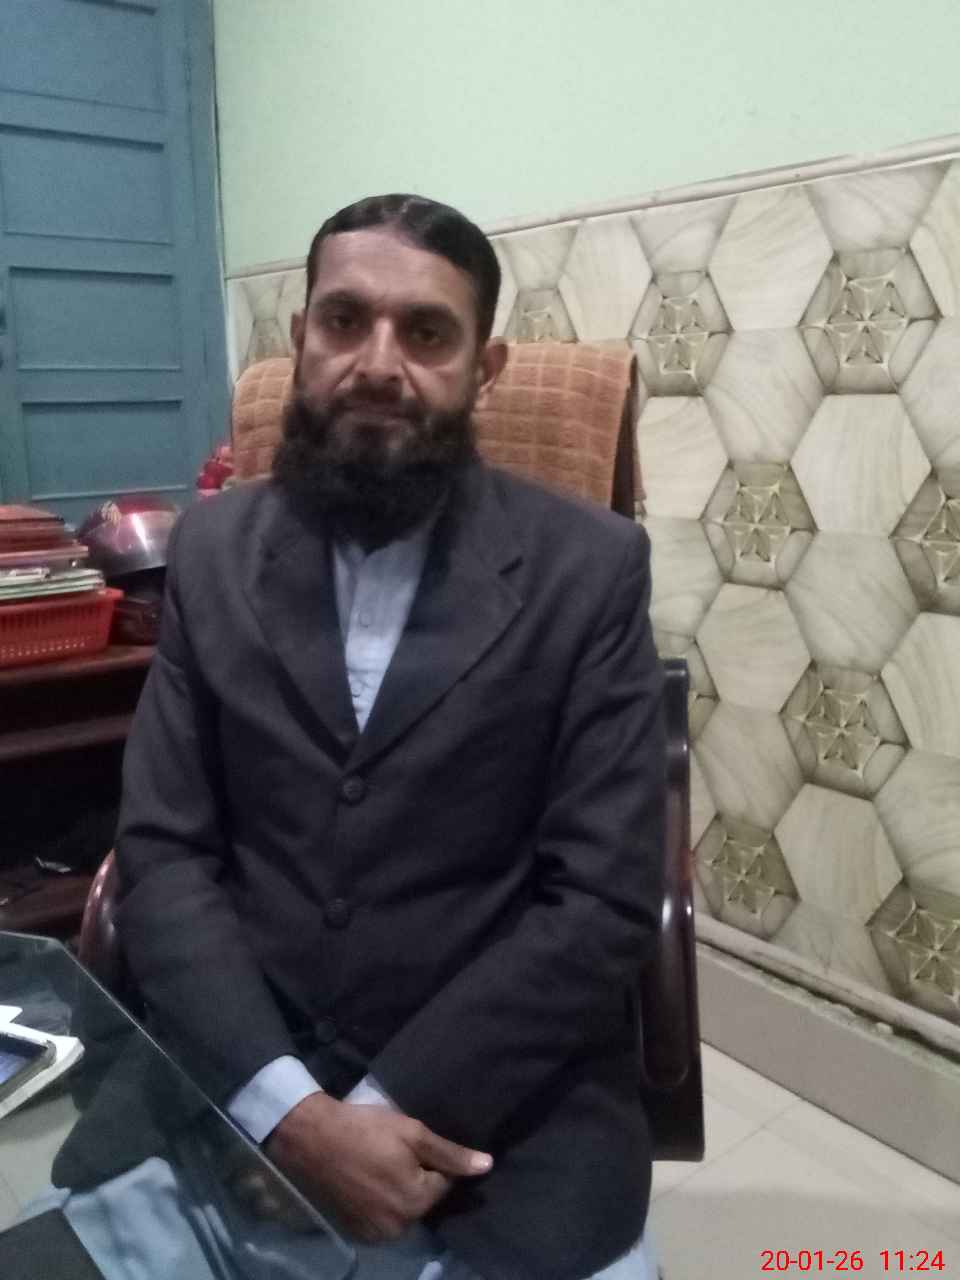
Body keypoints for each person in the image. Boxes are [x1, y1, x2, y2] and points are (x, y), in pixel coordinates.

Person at [115, 194, 666, 1280]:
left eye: (425, 332)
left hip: (502, 1104)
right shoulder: (213, 549)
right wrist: (287, 1112)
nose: (378, 363)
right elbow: (165, 851)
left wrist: (374, 1113)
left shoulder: (591, 568)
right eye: (345, 320)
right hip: (233, 1062)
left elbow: (602, 899)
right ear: (301, 338)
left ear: (484, 367)